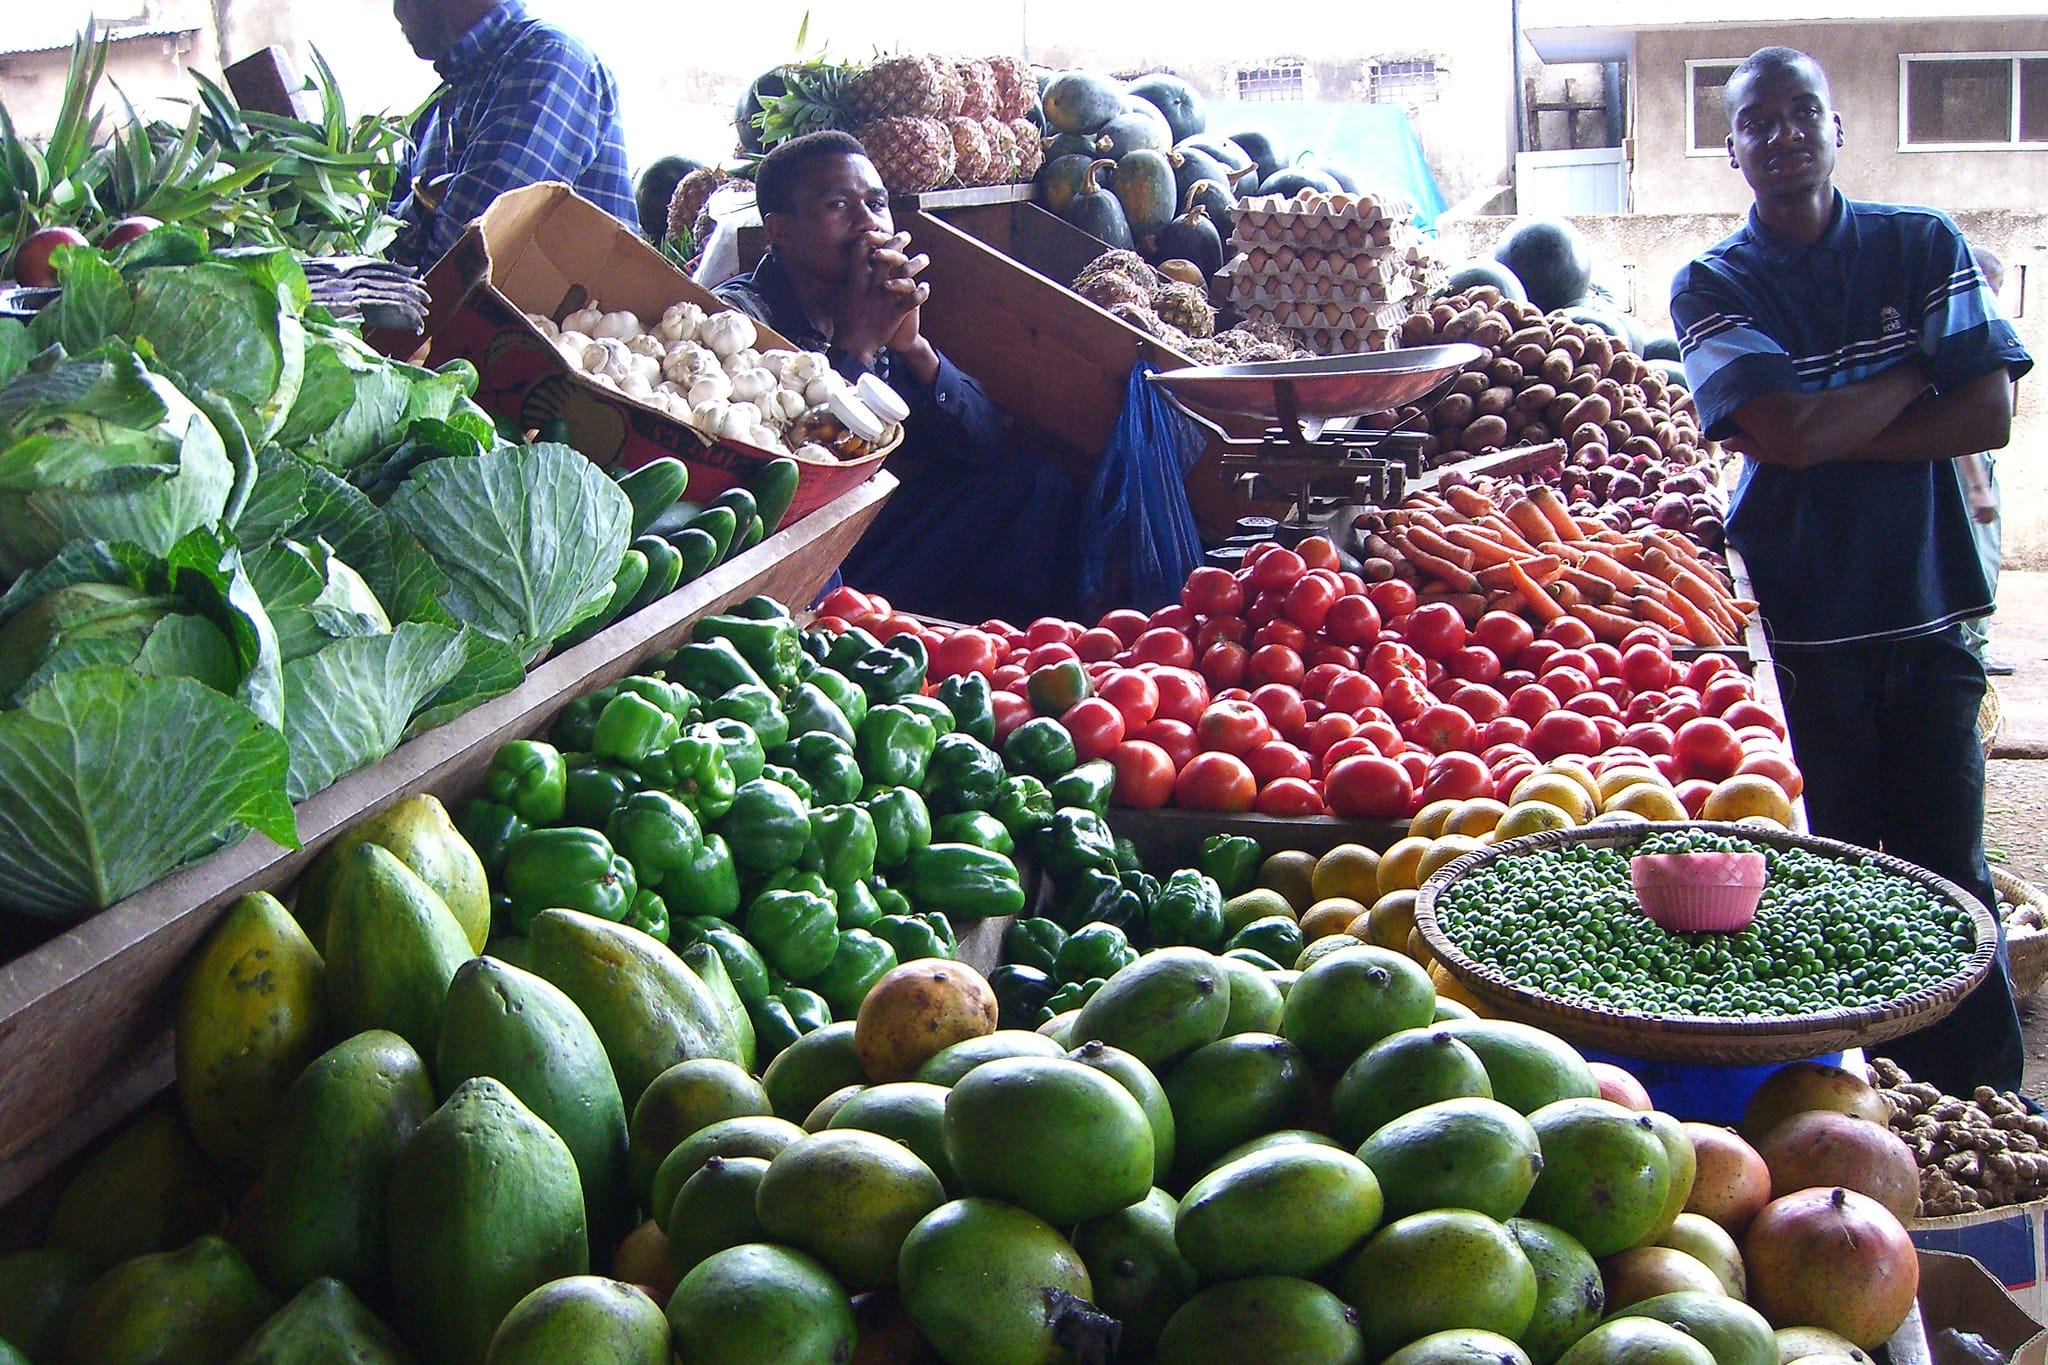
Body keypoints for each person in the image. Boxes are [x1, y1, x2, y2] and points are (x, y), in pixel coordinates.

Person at [1670, 46, 2031, 1097]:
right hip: (1805, 624)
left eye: (1801, 111)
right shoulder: (1713, 281)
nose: (1781, 133)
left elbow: (1990, 414)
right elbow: (1778, 433)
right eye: (1756, 120)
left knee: (1945, 870)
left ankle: (1977, 1099)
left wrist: (1827, 429)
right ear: (1731, 150)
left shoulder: (1919, 243)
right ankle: (1851, 1096)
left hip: (1929, 611)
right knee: (1832, 870)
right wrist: (1921, 365)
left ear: (1835, 129)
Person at [714, 130, 1074, 623]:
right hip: (799, 555)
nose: (868, 224)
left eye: (877, 204)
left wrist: (914, 348)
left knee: (1036, 485)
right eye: (839, 205)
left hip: (875, 524)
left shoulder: (875, 297)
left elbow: (986, 443)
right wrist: (855, 349)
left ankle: (992, 655)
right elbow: (793, 474)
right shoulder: (737, 320)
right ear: (781, 230)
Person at [386, 0, 635, 270]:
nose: (397, 10)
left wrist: (425, 205)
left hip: (559, 311)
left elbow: (469, 261)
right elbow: (384, 249)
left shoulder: (549, 60)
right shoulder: (434, 111)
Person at [1958, 246, 2013, 677]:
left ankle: (1974, 648)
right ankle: (1971, 652)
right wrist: (1977, 485)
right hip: (1965, 463)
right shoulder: (1961, 330)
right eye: (1992, 287)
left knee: (1983, 557)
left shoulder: (1982, 329)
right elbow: (1960, 421)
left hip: (1980, 456)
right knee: (1976, 557)